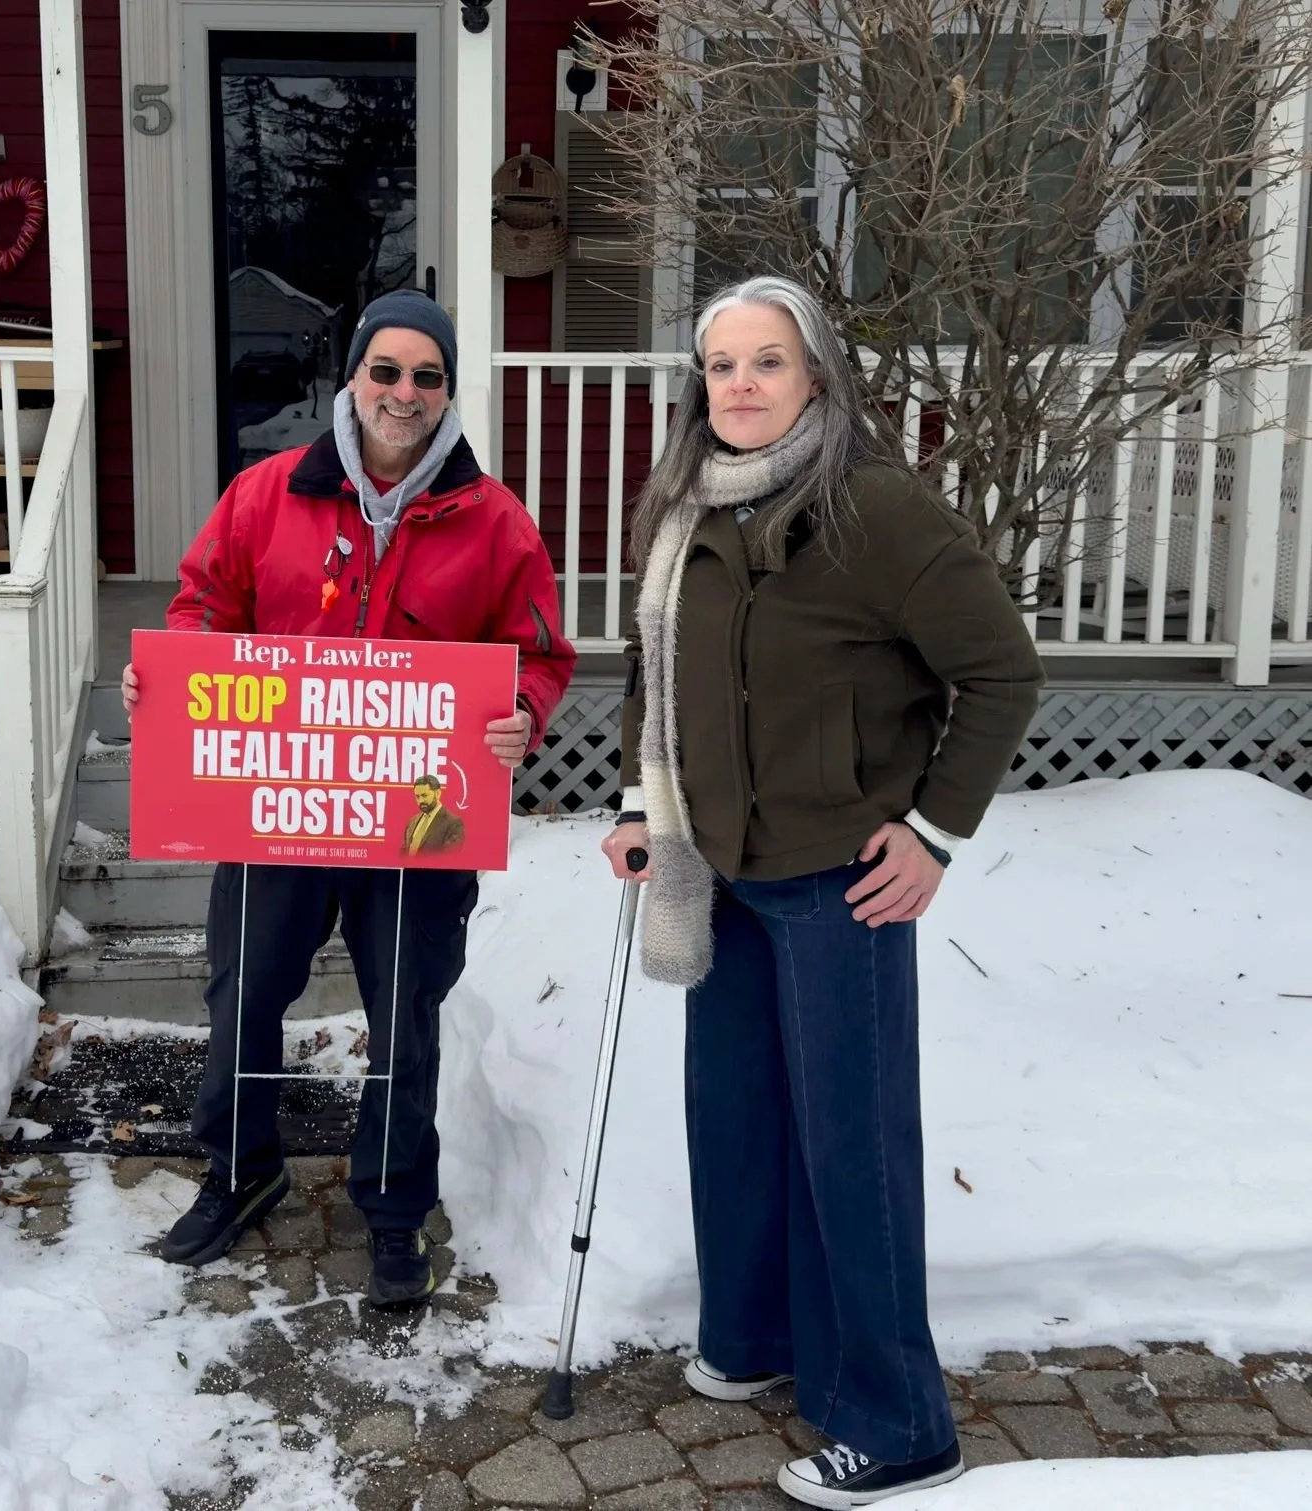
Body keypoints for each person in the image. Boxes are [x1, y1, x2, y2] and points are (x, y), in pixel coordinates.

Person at [601, 276, 1043, 1507]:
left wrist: (932, 830)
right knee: (735, 1121)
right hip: (718, 864)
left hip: (837, 879)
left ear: (815, 378)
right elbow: (650, 668)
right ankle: (756, 1336)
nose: (740, 384)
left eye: (767, 361)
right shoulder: (684, 505)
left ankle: (898, 1423)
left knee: (852, 1147)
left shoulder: (874, 508)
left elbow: (1000, 672)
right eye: (721, 364)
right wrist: (638, 803)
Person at [124, 289, 575, 1306]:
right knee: (245, 992)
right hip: (277, 800)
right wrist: (176, 674)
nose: (403, 393)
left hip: (419, 810)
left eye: (426, 376)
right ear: (354, 376)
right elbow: (203, 606)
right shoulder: (267, 492)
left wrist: (521, 713)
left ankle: (393, 1206)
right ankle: (239, 1168)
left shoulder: (494, 519)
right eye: (386, 370)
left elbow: (541, 653)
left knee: (402, 1011)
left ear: (447, 390)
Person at [402, 775, 465, 856]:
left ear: (438, 793)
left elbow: (450, 857)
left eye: (424, 795)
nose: (420, 800)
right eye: (417, 796)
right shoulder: (412, 821)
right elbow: (403, 852)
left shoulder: (453, 823)